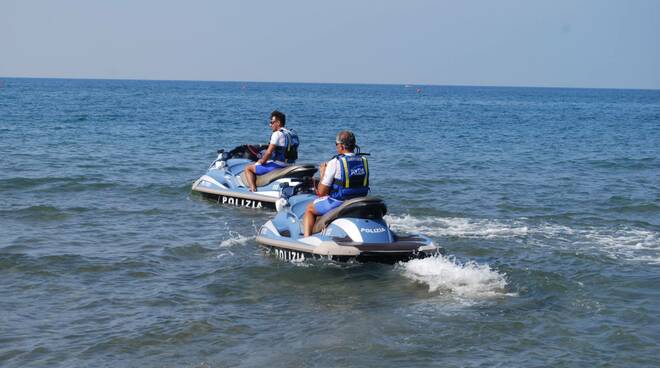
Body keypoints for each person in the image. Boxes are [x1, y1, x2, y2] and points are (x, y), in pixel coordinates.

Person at [303, 130, 369, 237]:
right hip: (358, 200)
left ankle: (306, 240)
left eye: (336, 144)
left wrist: (323, 173)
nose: (336, 147)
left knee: (309, 208)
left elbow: (321, 193)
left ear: (342, 146)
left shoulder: (335, 162)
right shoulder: (363, 160)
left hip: (339, 201)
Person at [244, 110, 298, 192]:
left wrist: (261, 161)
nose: (270, 125)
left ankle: (253, 189)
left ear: (278, 122)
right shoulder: (291, 133)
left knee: (248, 168)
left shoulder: (277, 134)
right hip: (290, 164)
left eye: (272, 122)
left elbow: (269, 152)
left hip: (278, 165)